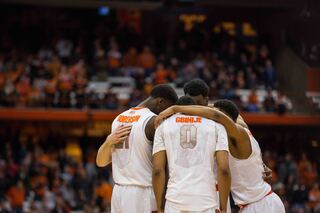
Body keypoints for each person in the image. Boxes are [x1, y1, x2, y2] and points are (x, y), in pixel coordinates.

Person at [155, 100, 285, 213]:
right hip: (260, 201)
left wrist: (175, 108)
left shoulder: (238, 132)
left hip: (259, 204)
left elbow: (216, 114)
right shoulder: (241, 128)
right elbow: (220, 111)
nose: (210, 120)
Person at [96, 84, 178, 213]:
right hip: (142, 193)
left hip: (118, 192)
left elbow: (100, 162)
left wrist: (108, 142)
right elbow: (160, 168)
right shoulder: (153, 122)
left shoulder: (118, 118)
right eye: (167, 109)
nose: (167, 115)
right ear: (160, 102)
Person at [152, 96, 231, 213]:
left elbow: (158, 169)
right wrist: (223, 208)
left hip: (174, 200)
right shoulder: (216, 126)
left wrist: (159, 207)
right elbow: (224, 169)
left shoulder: (163, 126)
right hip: (206, 200)